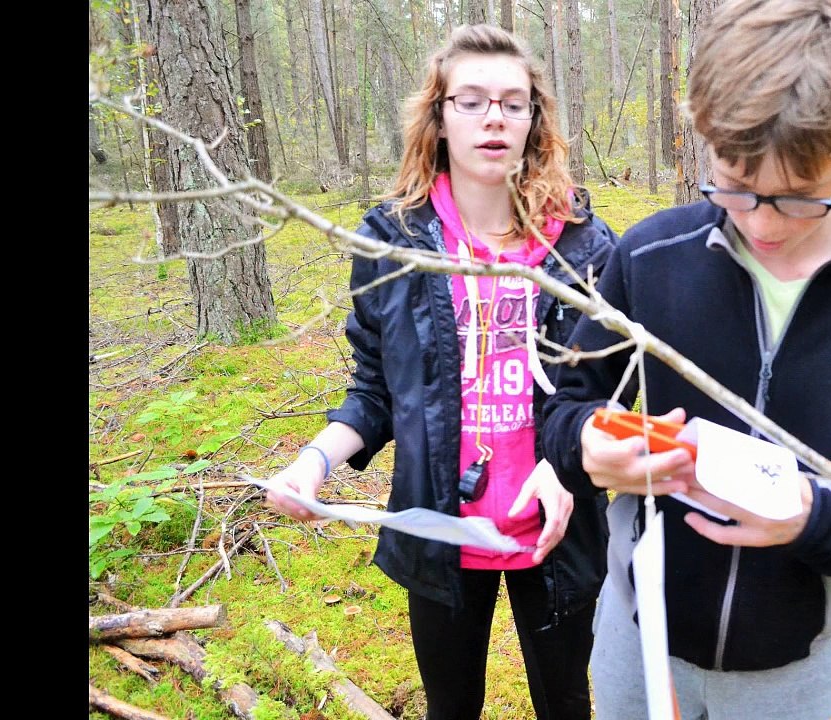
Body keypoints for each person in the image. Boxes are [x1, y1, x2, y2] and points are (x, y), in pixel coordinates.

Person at [541, 1, 831, 718]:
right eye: (733, 183)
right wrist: (584, 447)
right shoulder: (649, 258)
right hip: (640, 642)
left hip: (793, 672)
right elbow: (564, 406)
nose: (762, 221)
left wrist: (811, 519)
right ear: (703, 135)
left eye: (799, 196)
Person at [263, 24, 616, 720]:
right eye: (472, 101)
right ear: (440, 116)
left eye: (513, 103)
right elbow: (375, 389)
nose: (494, 118)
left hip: (558, 525)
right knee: (450, 707)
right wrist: (314, 461)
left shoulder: (584, 245)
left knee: (568, 704)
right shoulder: (392, 241)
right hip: (439, 525)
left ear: (534, 120)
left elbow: (609, 389)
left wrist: (570, 466)